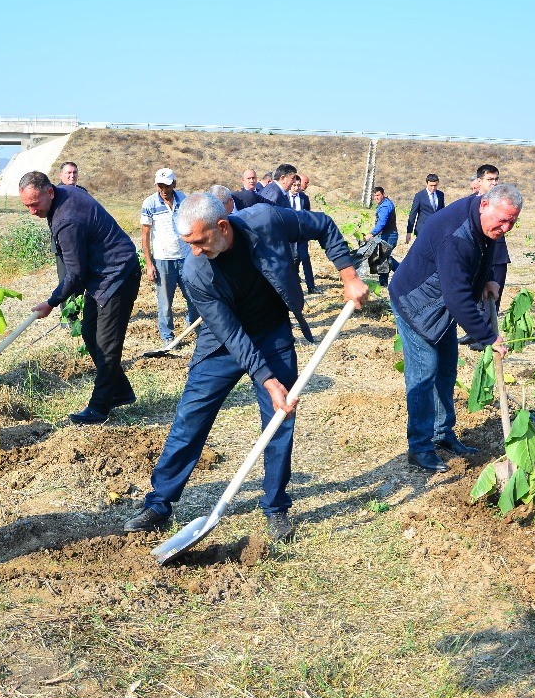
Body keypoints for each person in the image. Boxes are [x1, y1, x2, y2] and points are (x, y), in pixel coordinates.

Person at [123, 193, 369, 540]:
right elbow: (233, 335)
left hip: (272, 331)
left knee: (280, 418)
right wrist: (266, 378)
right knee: (190, 417)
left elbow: (324, 225)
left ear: (222, 227)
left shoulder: (266, 220)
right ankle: (160, 503)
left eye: (199, 241)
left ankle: (276, 507)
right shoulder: (195, 271)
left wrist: (347, 275)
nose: (194, 251)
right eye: (187, 244)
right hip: (221, 342)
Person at [390, 184, 522, 472]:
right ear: (485, 205)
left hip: (438, 306)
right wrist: (488, 336)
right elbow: (457, 296)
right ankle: (420, 446)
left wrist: (487, 277)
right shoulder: (456, 235)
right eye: (502, 220)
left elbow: (483, 253)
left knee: (447, 370)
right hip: (416, 304)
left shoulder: (483, 220)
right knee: (424, 374)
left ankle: (442, 433)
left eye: (512, 221)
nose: (506, 227)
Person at [19, 170, 141, 424]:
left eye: (35, 204)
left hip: (117, 274)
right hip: (100, 276)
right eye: (26, 206)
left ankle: (99, 408)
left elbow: (74, 273)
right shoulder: (66, 193)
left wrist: (51, 303)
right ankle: (120, 391)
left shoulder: (67, 220)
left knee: (107, 344)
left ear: (49, 192)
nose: (32, 212)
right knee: (89, 331)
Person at [141, 168, 198, 344]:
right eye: (160, 186)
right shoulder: (149, 204)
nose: (164, 190)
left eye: (167, 186)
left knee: (193, 298)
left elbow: (192, 225)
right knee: (165, 303)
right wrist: (149, 264)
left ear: (174, 184)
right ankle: (168, 337)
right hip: (163, 259)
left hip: (186, 257)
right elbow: (145, 235)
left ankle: (198, 332)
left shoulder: (184, 199)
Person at [363, 186, 399, 286]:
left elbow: (382, 222)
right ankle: (385, 282)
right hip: (387, 235)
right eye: (374, 196)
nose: (376, 198)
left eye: (378, 195)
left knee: (384, 259)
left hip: (389, 236)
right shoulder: (384, 203)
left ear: (383, 194)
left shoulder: (385, 206)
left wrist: (371, 234)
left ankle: (395, 276)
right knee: (384, 258)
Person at [288, 175, 318, 293]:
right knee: (291, 259)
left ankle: (311, 286)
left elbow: (308, 216)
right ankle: (293, 285)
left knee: (305, 258)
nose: (296, 188)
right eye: (294, 185)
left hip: (302, 234)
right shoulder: (284, 198)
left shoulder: (304, 198)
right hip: (289, 234)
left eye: (298, 185)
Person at [405, 173, 444, 243]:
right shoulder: (419, 196)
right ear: (426, 183)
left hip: (436, 230)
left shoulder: (441, 194)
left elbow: (442, 212)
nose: (433, 188)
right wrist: (409, 232)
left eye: (435, 185)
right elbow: (413, 214)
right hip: (422, 230)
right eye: (431, 185)